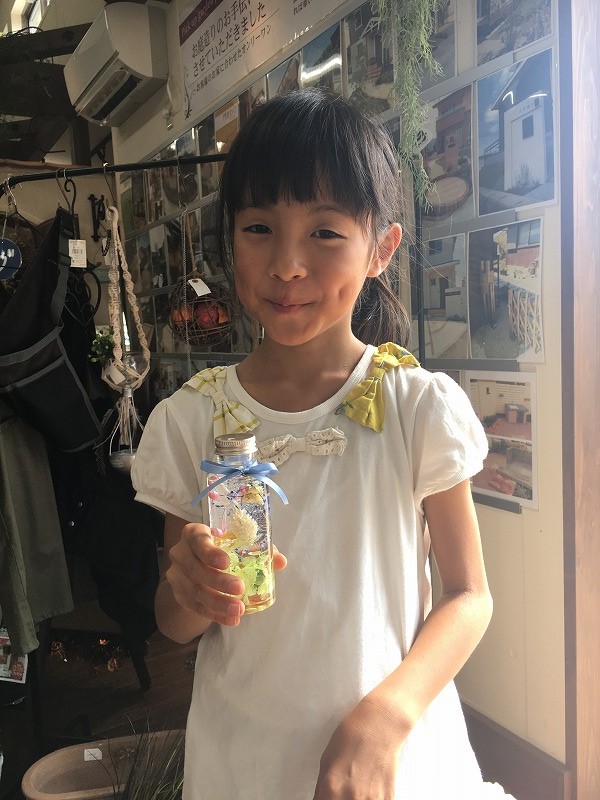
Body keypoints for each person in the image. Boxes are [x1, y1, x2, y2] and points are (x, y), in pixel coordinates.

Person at [131, 89, 515, 800]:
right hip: (244, 765)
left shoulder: (415, 406)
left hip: (395, 758)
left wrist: (386, 717)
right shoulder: (191, 419)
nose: (287, 265)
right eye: (258, 228)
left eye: (325, 232)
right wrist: (189, 589)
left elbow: (469, 595)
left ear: (381, 250)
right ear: (229, 241)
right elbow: (175, 622)